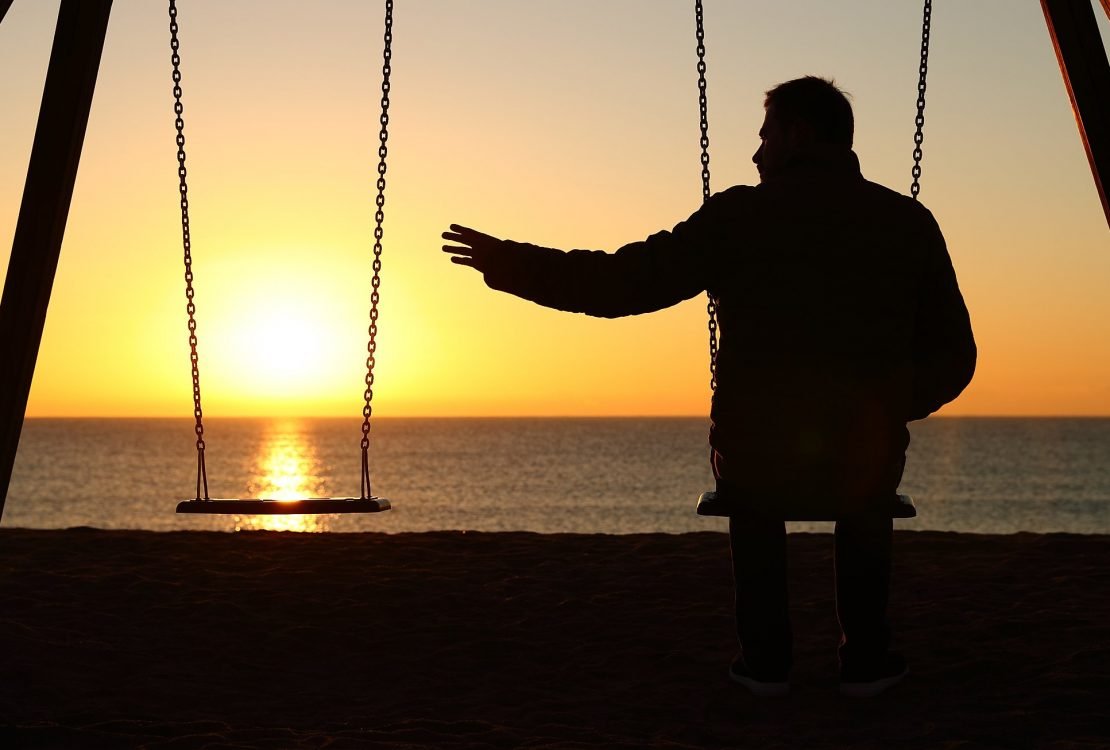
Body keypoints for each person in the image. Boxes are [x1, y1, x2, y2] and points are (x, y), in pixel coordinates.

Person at [442, 76, 976, 698]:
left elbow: (623, 284)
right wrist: (891, 408)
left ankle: (766, 664)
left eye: (765, 135)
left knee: (752, 476)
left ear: (798, 134)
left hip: (758, 455)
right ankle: (867, 660)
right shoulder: (905, 221)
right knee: (865, 477)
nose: (756, 154)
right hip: (864, 452)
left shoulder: (740, 217)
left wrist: (512, 265)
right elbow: (957, 356)